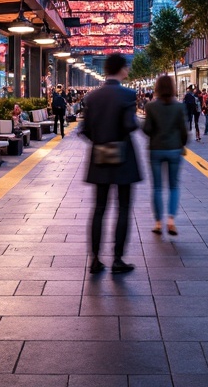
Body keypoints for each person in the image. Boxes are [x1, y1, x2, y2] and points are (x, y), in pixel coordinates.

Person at [79, 52, 141, 274]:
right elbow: (129, 125)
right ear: (122, 69)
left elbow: (84, 130)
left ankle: (95, 259)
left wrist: (100, 141)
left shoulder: (93, 97)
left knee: (99, 209)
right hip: (123, 158)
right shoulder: (128, 95)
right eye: (126, 67)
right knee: (123, 208)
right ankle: (117, 259)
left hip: (100, 157)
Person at [143, 74, 188, 236]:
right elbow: (184, 130)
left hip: (155, 149)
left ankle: (157, 222)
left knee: (157, 187)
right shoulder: (179, 107)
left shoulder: (151, 107)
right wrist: (182, 144)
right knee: (174, 186)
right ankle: (171, 221)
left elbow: (146, 130)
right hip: (175, 149)